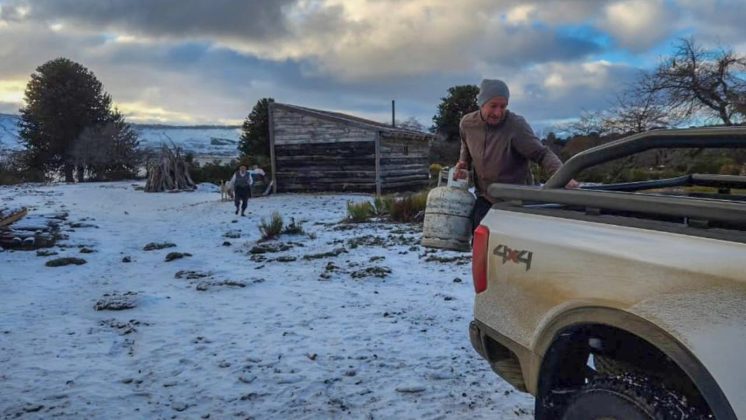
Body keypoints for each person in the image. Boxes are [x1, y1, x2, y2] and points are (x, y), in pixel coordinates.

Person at [454, 78, 578, 228]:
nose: (498, 112)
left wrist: (563, 176)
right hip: (485, 198)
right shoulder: (467, 124)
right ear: (481, 103)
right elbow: (465, 149)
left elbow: (542, 153)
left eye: (503, 106)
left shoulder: (516, 125)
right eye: (493, 106)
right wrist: (462, 165)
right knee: (481, 246)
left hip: (517, 201)